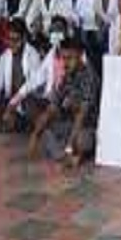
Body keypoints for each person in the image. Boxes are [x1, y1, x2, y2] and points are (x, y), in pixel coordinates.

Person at [28, 36, 100, 168]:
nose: (65, 63)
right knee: (45, 127)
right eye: (63, 58)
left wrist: (69, 147)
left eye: (69, 58)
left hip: (86, 126)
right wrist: (35, 134)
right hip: (69, 125)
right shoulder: (67, 76)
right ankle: (67, 154)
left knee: (81, 140)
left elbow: (82, 114)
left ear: (80, 55)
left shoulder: (89, 76)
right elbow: (52, 107)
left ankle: (71, 152)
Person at [11, 16, 69, 121]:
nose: (56, 34)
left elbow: (76, 82)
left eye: (59, 30)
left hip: (66, 100)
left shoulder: (76, 53)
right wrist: (16, 99)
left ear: (66, 33)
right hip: (49, 99)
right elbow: (36, 79)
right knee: (28, 101)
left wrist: (61, 94)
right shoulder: (51, 55)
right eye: (53, 30)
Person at [0, 18, 41, 132]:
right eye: (9, 39)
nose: (12, 44)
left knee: (31, 107)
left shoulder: (33, 54)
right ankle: (15, 122)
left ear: (24, 38)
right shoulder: (4, 56)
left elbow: (32, 84)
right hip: (10, 99)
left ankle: (18, 122)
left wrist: (12, 105)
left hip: (27, 98)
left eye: (15, 40)